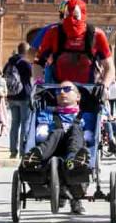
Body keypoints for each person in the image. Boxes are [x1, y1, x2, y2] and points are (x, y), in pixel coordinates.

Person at [22, 81, 91, 214]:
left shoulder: (86, 115)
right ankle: (36, 155)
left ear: (78, 96)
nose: (62, 93)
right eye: (59, 91)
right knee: (58, 131)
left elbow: (91, 136)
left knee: (76, 130)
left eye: (66, 89)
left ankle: (73, 164)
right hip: (53, 148)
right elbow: (40, 134)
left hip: (76, 151)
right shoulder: (48, 113)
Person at [34, 0, 115, 86]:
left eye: (75, 17)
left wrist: (104, 86)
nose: (71, 20)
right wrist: (39, 83)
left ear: (83, 16)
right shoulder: (53, 33)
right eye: (67, 16)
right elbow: (38, 62)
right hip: (58, 92)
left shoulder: (96, 35)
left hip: (87, 92)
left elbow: (109, 67)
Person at [4, 42, 33, 159]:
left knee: (14, 124)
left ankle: (12, 151)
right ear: (26, 51)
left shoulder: (8, 63)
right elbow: (34, 75)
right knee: (25, 123)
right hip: (24, 96)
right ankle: (23, 151)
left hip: (11, 96)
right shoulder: (26, 63)